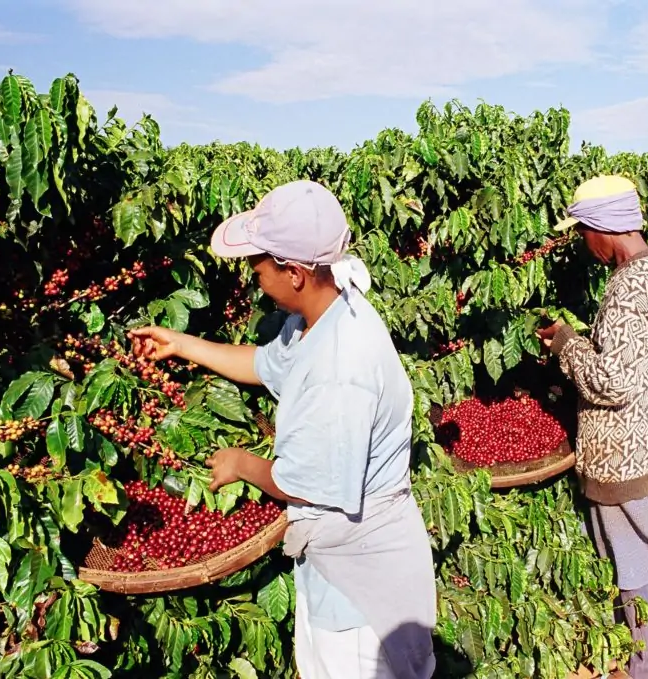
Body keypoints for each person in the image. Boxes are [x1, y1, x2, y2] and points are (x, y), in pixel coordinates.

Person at [128, 180, 437, 679]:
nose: (252, 278)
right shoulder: (321, 315)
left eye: (258, 266)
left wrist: (242, 464)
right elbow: (265, 364)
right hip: (335, 567)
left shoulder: (342, 363)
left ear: (293, 273)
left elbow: (309, 483)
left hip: (362, 589)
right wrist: (180, 343)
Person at [537, 175, 648, 679]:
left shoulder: (630, 287)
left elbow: (611, 381)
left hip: (620, 455)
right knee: (635, 558)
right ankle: (641, 661)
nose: (582, 243)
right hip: (639, 445)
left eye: (582, 231)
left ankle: (645, 668)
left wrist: (565, 344)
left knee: (631, 568)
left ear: (603, 227)